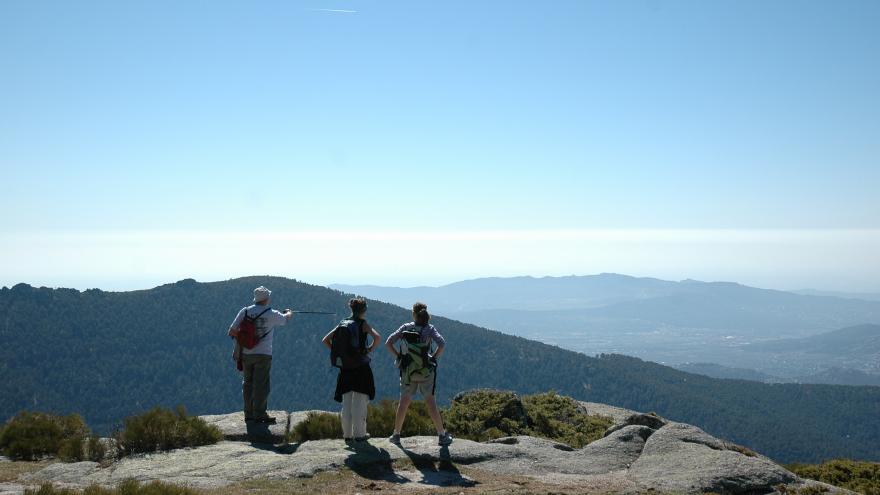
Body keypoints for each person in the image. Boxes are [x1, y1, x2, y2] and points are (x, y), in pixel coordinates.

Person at [385, 302, 453, 446]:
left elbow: (388, 342)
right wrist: (433, 358)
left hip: (407, 371)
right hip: (425, 372)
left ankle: (396, 435)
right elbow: (442, 344)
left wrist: (399, 357)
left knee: (404, 402)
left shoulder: (405, 327)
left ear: (413, 314)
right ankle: (442, 435)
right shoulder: (429, 329)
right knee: (431, 402)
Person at [227, 286, 294, 424]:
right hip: (263, 353)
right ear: (266, 299)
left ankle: (248, 413)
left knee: (247, 383)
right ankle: (260, 413)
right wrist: (289, 312)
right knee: (261, 385)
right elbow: (286, 319)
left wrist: (246, 339)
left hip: (246, 353)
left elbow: (232, 331)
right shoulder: (272, 313)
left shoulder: (245, 311)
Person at [322, 298, 381, 443]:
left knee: (346, 402)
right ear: (364, 310)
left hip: (345, 368)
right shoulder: (363, 324)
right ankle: (360, 434)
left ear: (351, 309)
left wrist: (341, 353)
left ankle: (347, 435)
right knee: (360, 402)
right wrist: (368, 350)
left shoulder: (343, 323)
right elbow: (377, 338)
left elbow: (325, 340)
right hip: (361, 367)